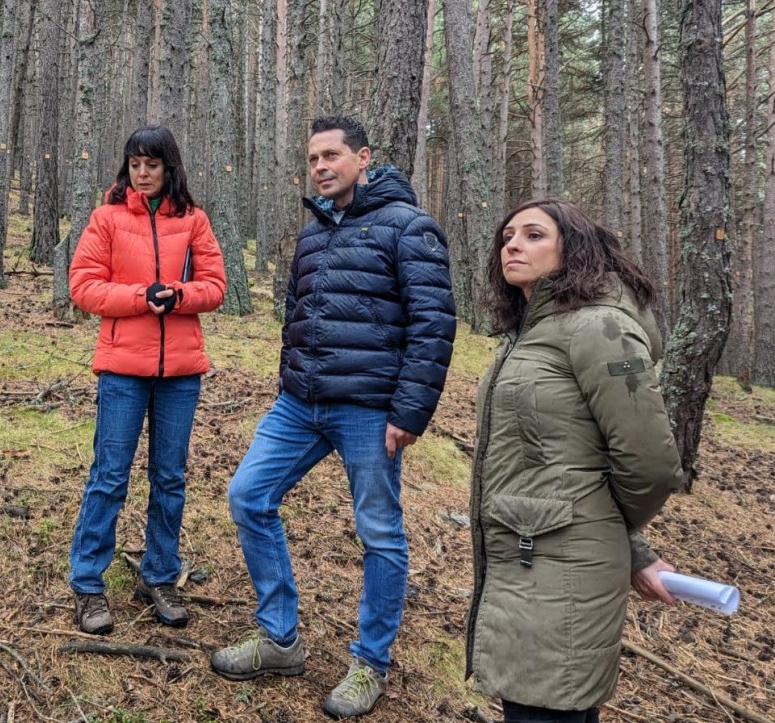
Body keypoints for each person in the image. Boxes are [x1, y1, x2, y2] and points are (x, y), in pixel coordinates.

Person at [211, 116, 457, 719]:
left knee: (379, 532)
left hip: (371, 412)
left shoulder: (409, 227)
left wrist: (410, 412)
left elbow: (433, 326)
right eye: (313, 158)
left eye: (331, 156)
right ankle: (279, 639)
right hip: (301, 404)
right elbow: (296, 315)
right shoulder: (313, 233)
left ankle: (370, 663)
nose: (320, 167)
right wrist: (290, 380)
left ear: (362, 158)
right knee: (248, 495)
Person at [466, 198, 684, 722]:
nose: (512, 244)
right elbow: (564, 464)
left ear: (575, 251)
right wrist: (632, 547)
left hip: (560, 572)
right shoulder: (533, 332)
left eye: (534, 235)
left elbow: (650, 465)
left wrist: (605, 530)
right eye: (508, 235)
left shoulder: (597, 330)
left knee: (548, 707)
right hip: (528, 562)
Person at [67, 125, 226, 636]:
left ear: (169, 167)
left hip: (180, 372)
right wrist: (141, 297)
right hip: (121, 369)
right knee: (110, 475)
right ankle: (88, 584)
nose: (142, 174)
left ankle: (159, 576)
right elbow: (84, 286)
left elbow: (216, 285)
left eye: (151, 165)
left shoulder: (194, 221)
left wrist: (179, 295)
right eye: (134, 164)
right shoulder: (107, 218)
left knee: (170, 478)